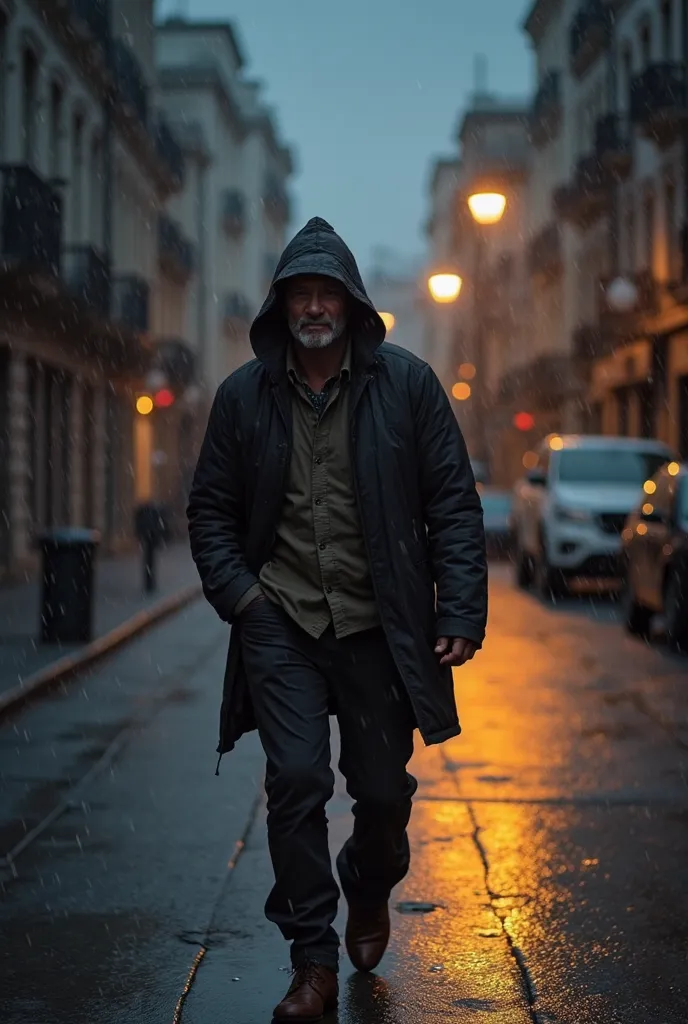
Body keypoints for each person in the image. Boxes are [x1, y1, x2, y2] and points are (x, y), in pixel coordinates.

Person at [187, 217, 487, 1021]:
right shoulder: (243, 397)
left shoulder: (408, 386)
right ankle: (312, 961)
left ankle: (369, 879)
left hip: (378, 625)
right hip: (278, 620)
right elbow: (209, 512)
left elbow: (453, 504)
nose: (314, 307)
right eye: (301, 294)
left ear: (352, 306)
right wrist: (245, 602)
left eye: (328, 294)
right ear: (281, 307)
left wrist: (456, 607)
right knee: (295, 782)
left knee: (383, 792)